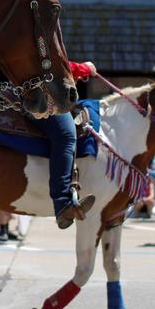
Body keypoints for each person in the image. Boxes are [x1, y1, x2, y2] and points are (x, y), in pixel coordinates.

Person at [28, 60, 98, 229]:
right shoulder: (42, 33)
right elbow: (51, 64)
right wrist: (84, 68)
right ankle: (62, 204)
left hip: (27, 87)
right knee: (66, 135)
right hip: (37, 93)